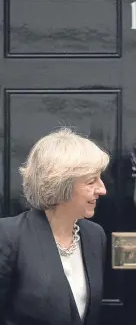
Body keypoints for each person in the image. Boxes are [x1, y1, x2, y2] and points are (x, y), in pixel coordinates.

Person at [0, 128, 109, 325]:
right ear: (61, 185)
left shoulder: (95, 235)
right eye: (92, 181)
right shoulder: (9, 235)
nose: (102, 189)